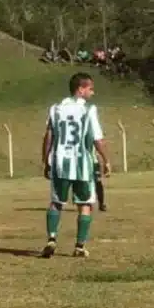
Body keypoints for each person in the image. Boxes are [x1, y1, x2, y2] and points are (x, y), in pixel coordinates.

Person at [41, 73, 111, 258]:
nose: (92, 92)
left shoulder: (56, 109)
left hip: (60, 162)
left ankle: (52, 239)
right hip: (82, 164)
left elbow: (49, 136)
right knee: (85, 203)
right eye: (90, 89)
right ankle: (79, 246)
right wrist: (106, 159)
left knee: (56, 202)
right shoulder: (89, 110)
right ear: (80, 89)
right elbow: (97, 139)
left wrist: (45, 160)